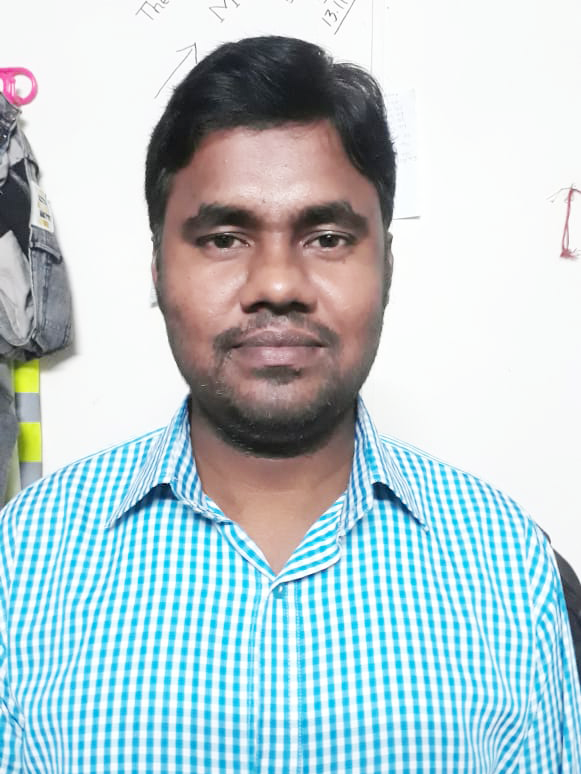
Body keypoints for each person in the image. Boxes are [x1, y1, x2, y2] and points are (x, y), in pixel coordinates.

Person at [1, 36, 580, 773]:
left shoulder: (507, 563)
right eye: (223, 238)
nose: (277, 284)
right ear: (157, 269)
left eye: (328, 237)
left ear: (387, 268)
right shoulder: (24, 560)